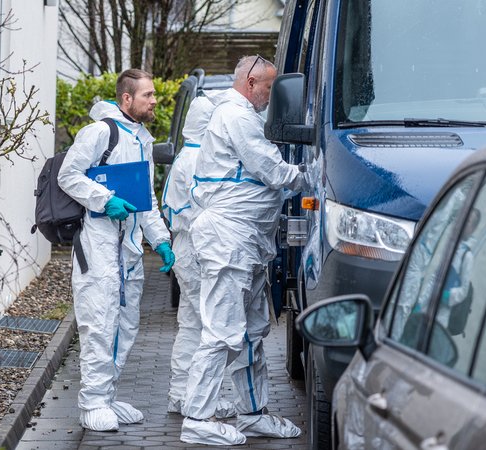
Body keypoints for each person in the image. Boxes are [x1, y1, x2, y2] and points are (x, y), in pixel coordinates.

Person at [180, 55, 305, 445]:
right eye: (268, 87)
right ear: (252, 81)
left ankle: (253, 413)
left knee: (251, 332)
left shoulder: (243, 115)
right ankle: (198, 420)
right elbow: (270, 169)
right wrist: (311, 176)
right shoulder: (236, 116)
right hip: (228, 240)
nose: (270, 96)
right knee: (221, 332)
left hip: (247, 242)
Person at [57, 69, 176, 432]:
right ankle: (91, 402)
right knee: (100, 319)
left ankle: (107, 396)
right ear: (127, 99)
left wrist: (161, 239)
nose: (155, 100)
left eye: (154, 94)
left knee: (125, 322)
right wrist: (105, 199)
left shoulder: (142, 139)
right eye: (148, 95)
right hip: (98, 241)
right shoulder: (99, 133)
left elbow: (146, 199)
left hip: (128, 246)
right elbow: (68, 175)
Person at [163, 91, 237, 420]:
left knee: (191, 324)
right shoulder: (200, 160)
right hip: (198, 248)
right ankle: (203, 399)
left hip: (185, 244)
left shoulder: (185, 155)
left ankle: (181, 394)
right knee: (212, 324)